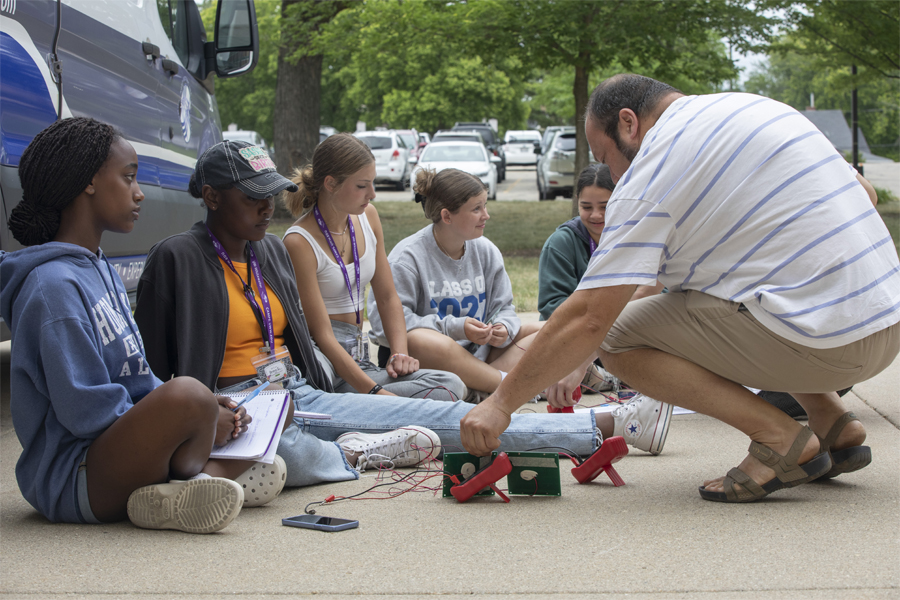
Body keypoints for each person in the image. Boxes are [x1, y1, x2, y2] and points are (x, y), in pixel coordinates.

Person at [460, 74, 900, 503]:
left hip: (824, 342)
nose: (612, 173)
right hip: (884, 320)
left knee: (617, 336)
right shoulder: (755, 108)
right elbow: (865, 192)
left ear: (629, 123)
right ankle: (833, 423)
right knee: (715, 290)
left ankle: (780, 437)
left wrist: (500, 405)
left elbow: (592, 315)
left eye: (606, 155)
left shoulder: (651, 171)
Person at [134, 142, 668, 464]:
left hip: (291, 390)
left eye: (268, 193)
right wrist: (199, 422)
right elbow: (158, 373)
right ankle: (603, 426)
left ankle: (356, 443)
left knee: (433, 405)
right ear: (210, 196)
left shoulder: (266, 252)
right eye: (251, 196)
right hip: (239, 405)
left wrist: (375, 374)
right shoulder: (181, 258)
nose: (264, 206)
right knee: (322, 444)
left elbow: (345, 317)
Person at [0, 117, 248, 534]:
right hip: (77, 475)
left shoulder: (101, 268)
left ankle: (174, 495)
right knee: (190, 395)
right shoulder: (51, 287)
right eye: (129, 177)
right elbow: (85, 411)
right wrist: (188, 419)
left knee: (264, 408)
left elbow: (140, 378)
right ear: (88, 182)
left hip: (117, 449)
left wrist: (202, 413)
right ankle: (199, 477)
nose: (140, 193)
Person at [281, 133, 464, 402]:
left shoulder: (368, 216)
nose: (372, 193)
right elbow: (322, 335)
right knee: (440, 393)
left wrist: (400, 353)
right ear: (330, 184)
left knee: (450, 385)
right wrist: (377, 392)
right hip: (325, 362)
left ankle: (364, 409)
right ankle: (356, 407)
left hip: (359, 359)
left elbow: (388, 296)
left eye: (373, 182)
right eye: (362, 185)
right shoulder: (299, 241)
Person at [366, 168, 550, 401]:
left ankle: (479, 388)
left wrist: (503, 327)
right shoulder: (408, 258)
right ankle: (508, 388)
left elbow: (504, 307)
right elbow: (385, 325)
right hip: (431, 363)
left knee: (549, 329)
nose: (486, 215)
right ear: (447, 216)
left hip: (482, 358)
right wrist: (455, 327)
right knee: (422, 340)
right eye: (476, 208)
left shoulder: (486, 250)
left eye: (485, 205)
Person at [537, 163, 664, 392]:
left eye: (605, 207)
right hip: (578, 341)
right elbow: (551, 308)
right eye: (586, 207)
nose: (596, 215)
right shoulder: (561, 244)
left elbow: (661, 297)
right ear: (577, 202)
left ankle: (603, 376)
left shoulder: (641, 238)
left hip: (631, 338)